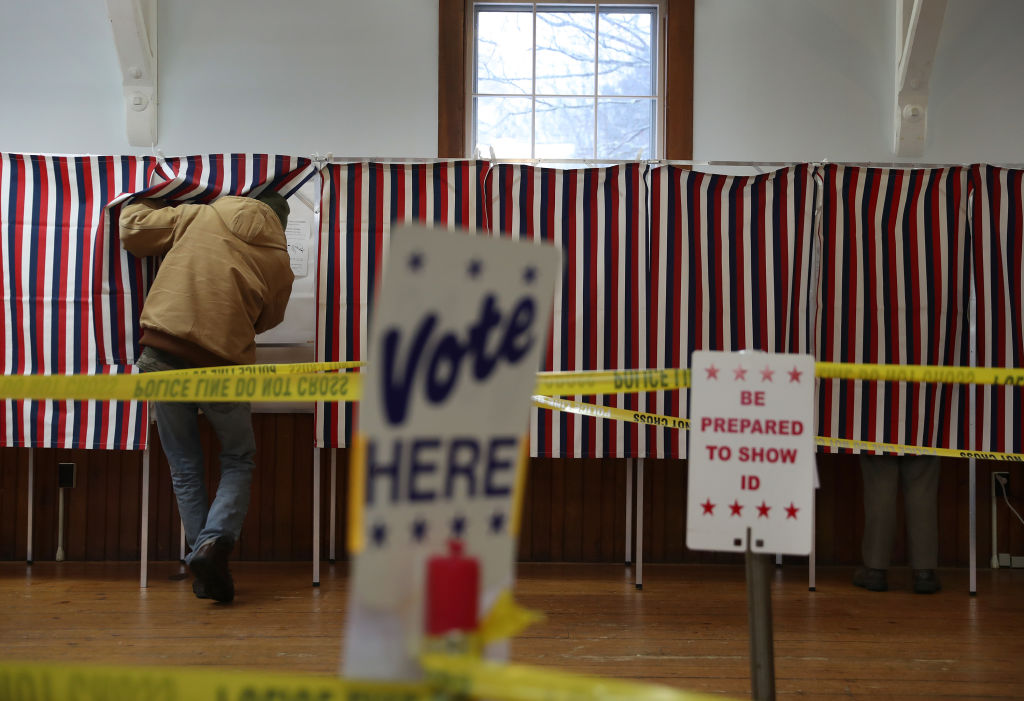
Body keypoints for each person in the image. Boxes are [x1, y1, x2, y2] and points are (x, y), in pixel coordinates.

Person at [119, 191, 294, 603]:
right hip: (223, 364)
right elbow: (270, 318)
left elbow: (133, 229)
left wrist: (144, 196)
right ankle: (213, 547)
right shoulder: (280, 262)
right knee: (237, 458)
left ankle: (205, 561)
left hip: (163, 350)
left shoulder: (200, 215)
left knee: (185, 465)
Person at [853, 453, 942, 594]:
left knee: (879, 482)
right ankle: (924, 572)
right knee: (922, 484)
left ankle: (875, 570)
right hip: (921, 431)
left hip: (879, 431)